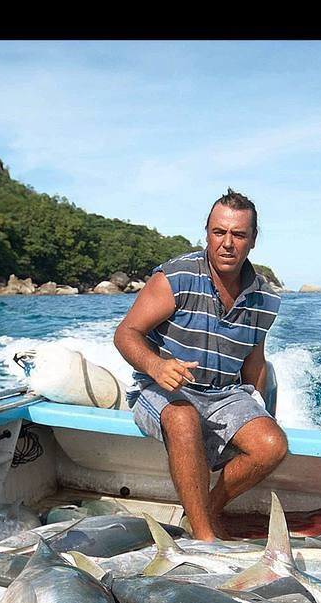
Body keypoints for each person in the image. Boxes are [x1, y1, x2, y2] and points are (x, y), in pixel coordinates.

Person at [114, 189, 288, 540]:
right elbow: (126, 333)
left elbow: (255, 361)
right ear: (207, 233)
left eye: (238, 234)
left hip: (225, 393)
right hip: (161, 387)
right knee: (183, 416)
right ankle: (205, 538)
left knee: (272, 445)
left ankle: (206, 508)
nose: (227, 243)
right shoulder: (175, 278)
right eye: (218, 232)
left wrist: (262, 411)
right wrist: (156, 366)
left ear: (252, 241)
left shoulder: (265, 298)